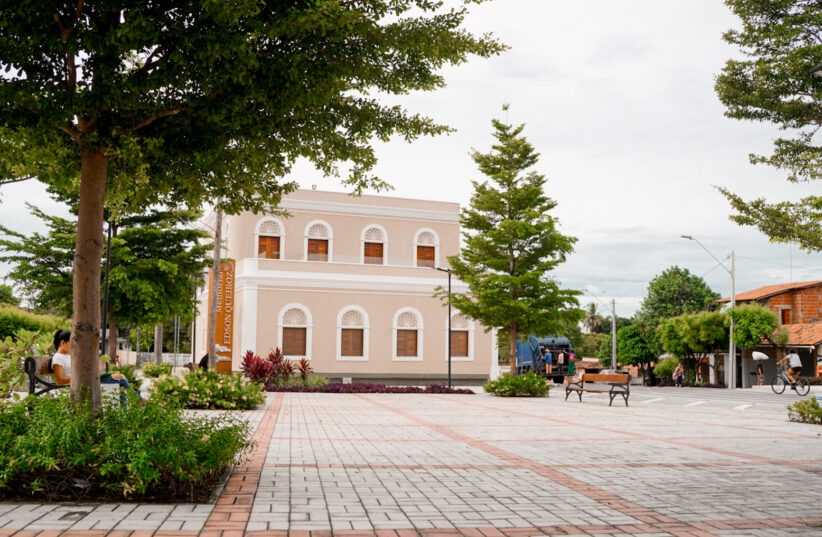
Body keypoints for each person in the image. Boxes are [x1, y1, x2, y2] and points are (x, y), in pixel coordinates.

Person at [51, 329, 141, 406]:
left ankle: (126, 411)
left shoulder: (69, 356)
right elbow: (59, 381)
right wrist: (80, 375)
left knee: (119, 380)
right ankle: (138, 400)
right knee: (120, 379)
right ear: (62, 343)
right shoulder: (58, 358)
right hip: (78, 385)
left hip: (85, 381)